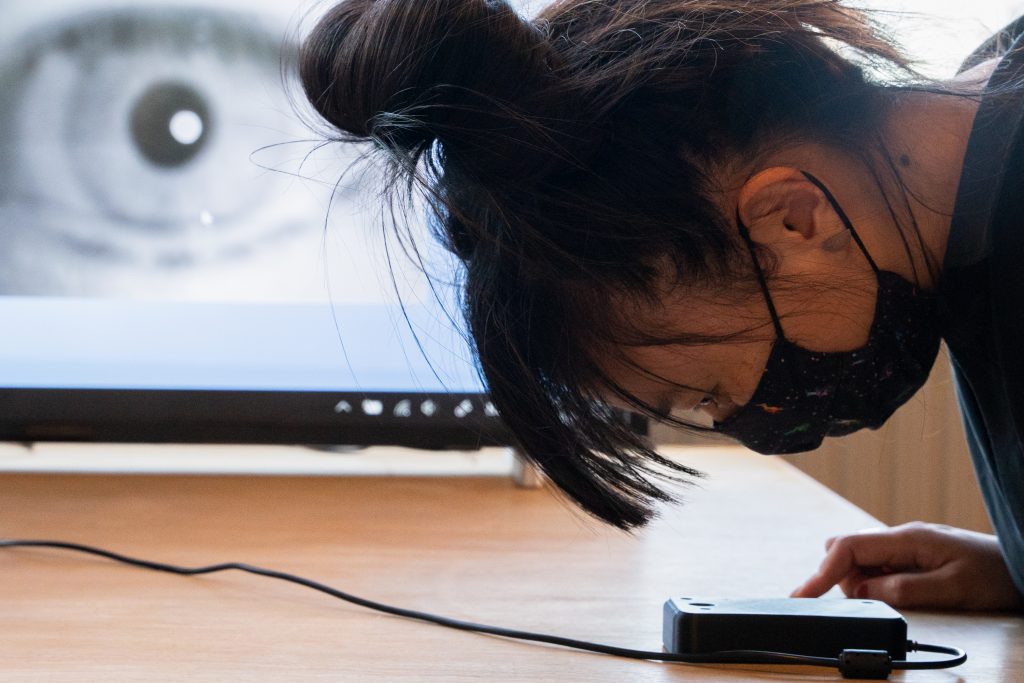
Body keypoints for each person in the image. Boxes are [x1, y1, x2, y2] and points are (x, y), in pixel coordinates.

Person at [297, 0, 1024, 612]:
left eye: (701, 390)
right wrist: (1013, 565)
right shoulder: (983, 165)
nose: (732, 417)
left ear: (791, 220)